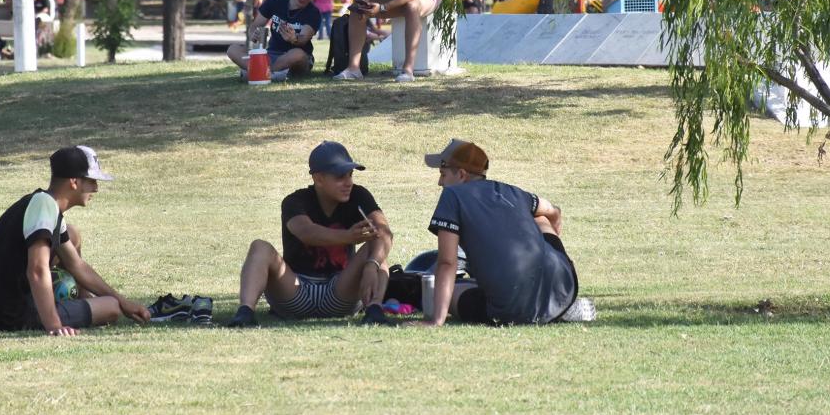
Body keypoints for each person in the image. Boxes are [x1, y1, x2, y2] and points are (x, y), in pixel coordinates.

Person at [0, 146, 151, 335]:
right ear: (74, 182)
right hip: (6, 314)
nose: (96, 188)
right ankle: (65, 310)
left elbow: (77, 265)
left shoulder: (44, 203)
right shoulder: (45, 206)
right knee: (110, 308)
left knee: (73, 236)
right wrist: (54, 326)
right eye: (92, 181)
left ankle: (83, 301)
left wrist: (125, 301)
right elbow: (36, 270)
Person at [416, 139, 595, 326]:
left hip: (511, 308)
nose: (440, 182)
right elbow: (551, 209)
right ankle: (561, 307)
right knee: (540, 217)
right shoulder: (510, 190)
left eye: (443, 174)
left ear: (461, 175)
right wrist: (555, 225)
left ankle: (537, 308)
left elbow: (447, 262)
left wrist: (437, 320)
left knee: (437, 289)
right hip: (564, 285)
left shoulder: (452, 196)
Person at [227, 141, 394, 328]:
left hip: (340, 291)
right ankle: (245, 313)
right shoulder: (294, 201)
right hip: (296, 290)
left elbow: (385, 232)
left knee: (378, 249)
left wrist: (372, 265)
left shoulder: (359, 195)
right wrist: (349, 236)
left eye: (350, 175)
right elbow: (307, 232)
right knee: (260, 247)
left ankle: (374, 311)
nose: (348, 182)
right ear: (319, 178)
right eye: (340, 176)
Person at [226, 0, 322, 83]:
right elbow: (254, 26)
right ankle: (266, 73)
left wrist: (294, 39)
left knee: (297, 54)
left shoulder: (313, 13)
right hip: (270, 55)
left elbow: (304, 38)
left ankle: (257, 72)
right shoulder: (275, 1)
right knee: (233, 49)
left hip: (295, 60)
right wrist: (254, 34)